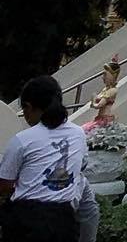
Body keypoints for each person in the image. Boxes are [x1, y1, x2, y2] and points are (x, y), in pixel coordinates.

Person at [0, 76, 85, 242]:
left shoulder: (23, 139)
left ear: (29, 107)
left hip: (28, 222)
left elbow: (4, 184)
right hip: (65, 220)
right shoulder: (78, 133)